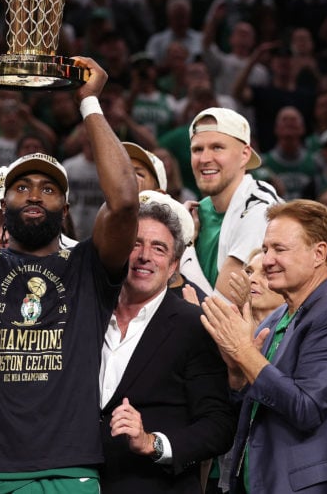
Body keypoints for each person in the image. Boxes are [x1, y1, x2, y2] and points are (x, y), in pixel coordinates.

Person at [0, 54, 139, 491]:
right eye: (21, 187)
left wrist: (89, 103)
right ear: (3, 206)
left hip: (69, 467)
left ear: (66, 206)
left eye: (49, 188)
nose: (35, 194)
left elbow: (126, 203)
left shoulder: (87, 268)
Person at [201, 199, 327, 493]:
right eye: (267, 248)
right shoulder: (279, 315)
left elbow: (306, 407)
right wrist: (237, 372)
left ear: (319, 253)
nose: (268, 259)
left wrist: (244, 353)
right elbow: (259, 404)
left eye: (279, 249)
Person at [99, 200, 235, 493]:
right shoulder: (89, 314)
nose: (145, 256)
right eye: (136, 244)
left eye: (159, 248)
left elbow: (218, 426)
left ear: (174, 265)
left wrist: (152, 442)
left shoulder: (193, 325)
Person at [187, 107, 281, 301]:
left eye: (217, 147)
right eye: (197, 149)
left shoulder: (259, 209)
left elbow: (223, 307)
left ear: (245, 155)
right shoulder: (196, 212)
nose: (204, 159)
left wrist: (185, 244)